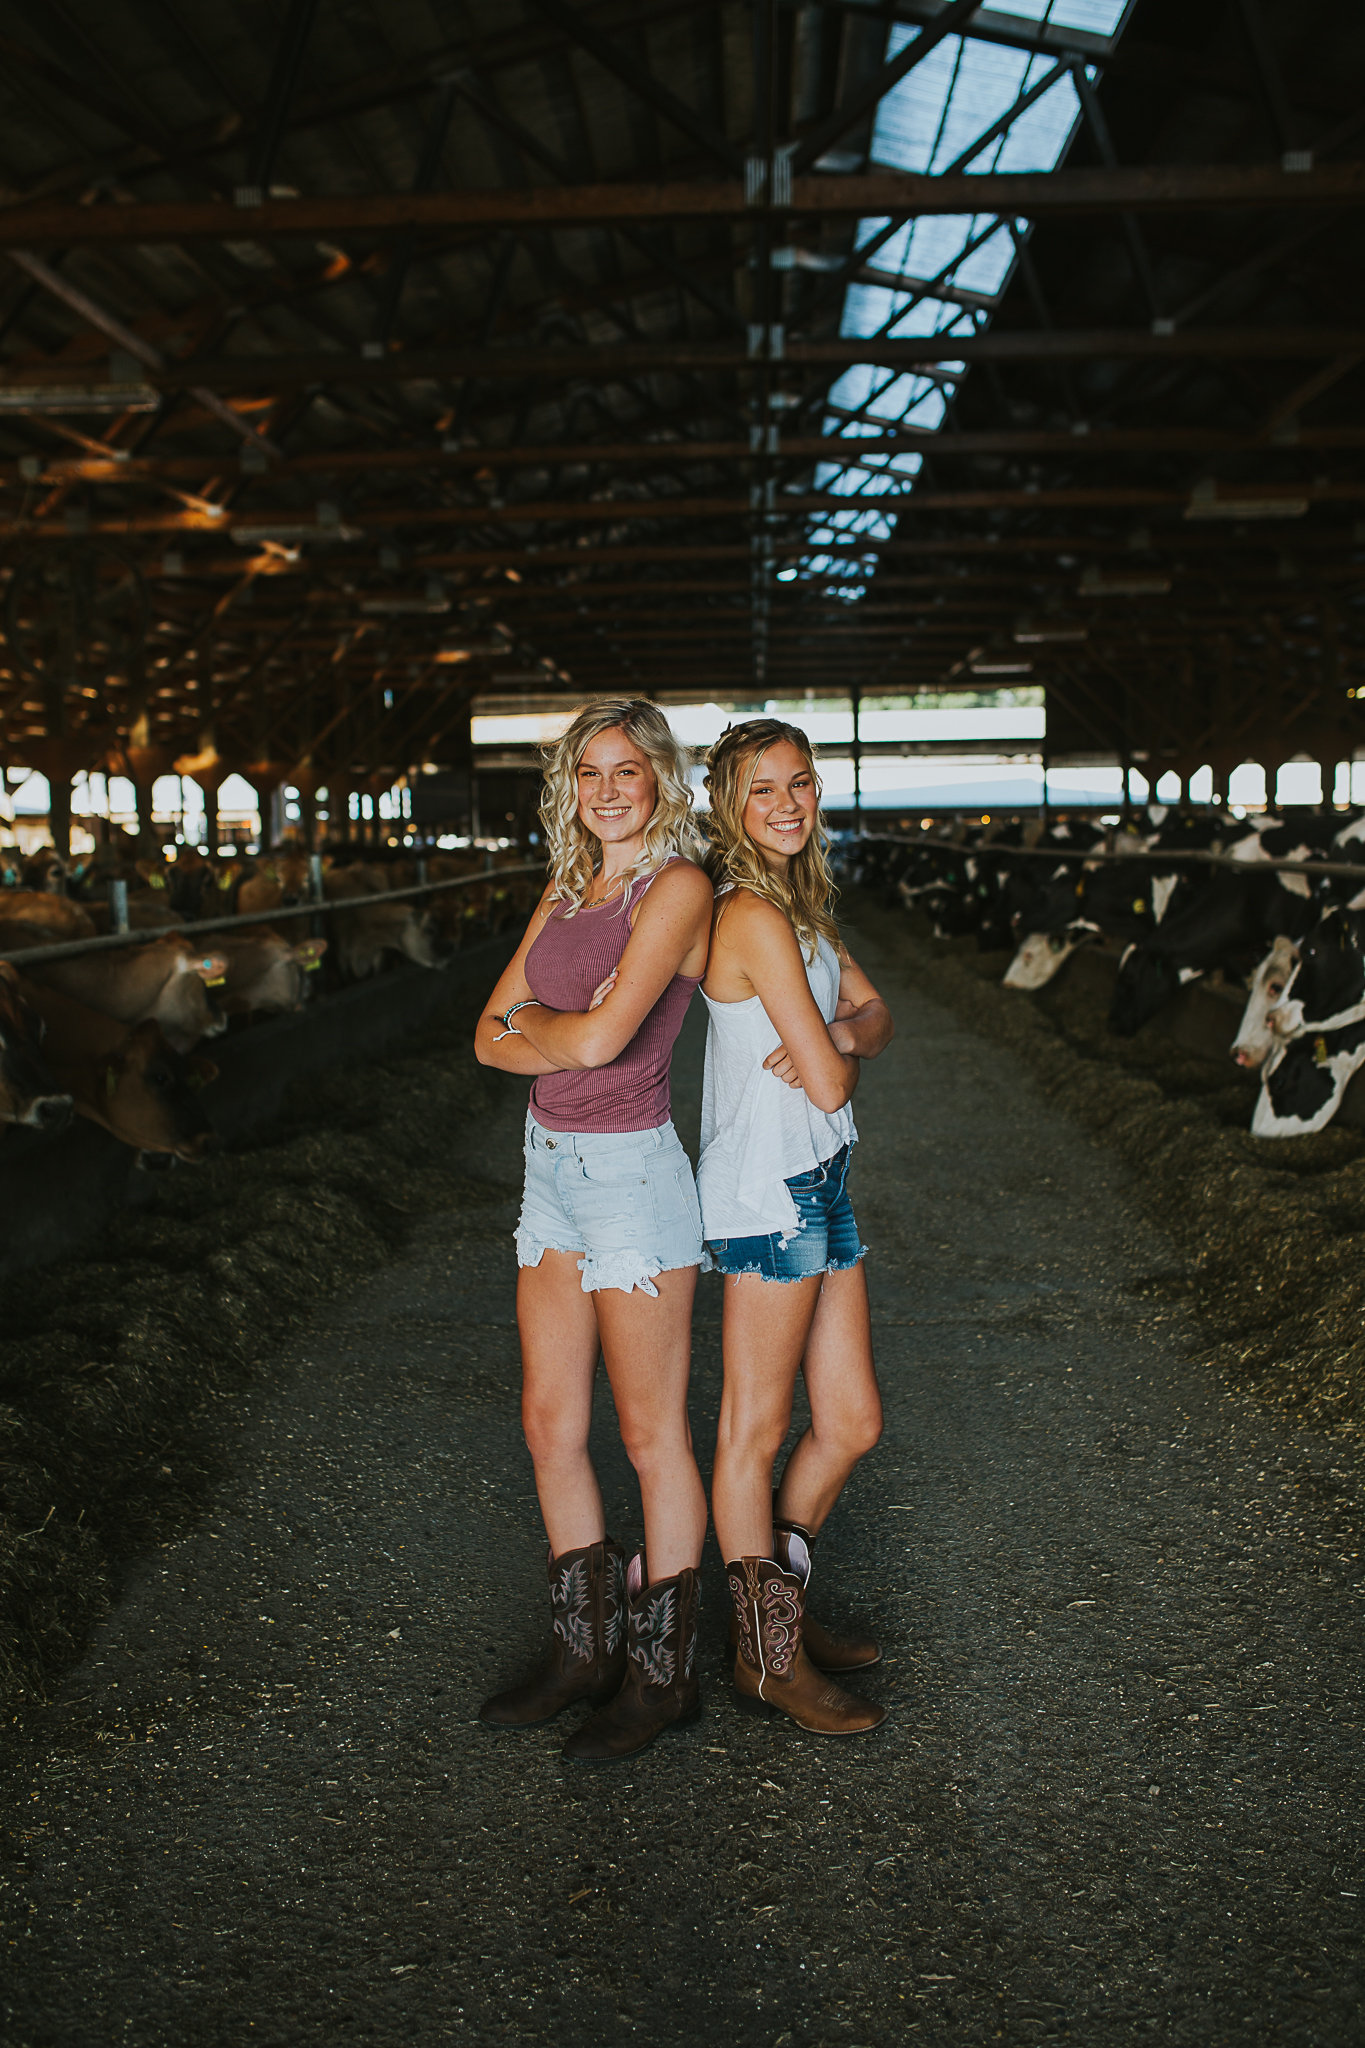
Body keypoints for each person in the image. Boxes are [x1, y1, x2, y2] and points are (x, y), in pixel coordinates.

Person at [474, 698, 713, 1762]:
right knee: (546, 1418)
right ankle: (583, 1648)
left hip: (631, 1178)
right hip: (550, 1172)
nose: (608, 788)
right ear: (569, 786)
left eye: (627, 769)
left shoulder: (679, 889)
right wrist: (548, 1032)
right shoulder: (568, 894)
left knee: (650, 1432)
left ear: (659, 777)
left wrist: (548, 1027)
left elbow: (615, 1038)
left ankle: (663, 1676)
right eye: (589, 772)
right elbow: (486, 1036)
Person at [698, 718, 893, 1735]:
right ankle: (764, 1655)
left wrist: (845, 1033)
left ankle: (779, 1587)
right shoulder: (750, 916)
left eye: (801, 783)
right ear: (730, 805)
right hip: (770, 1192)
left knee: (852, 1417)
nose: (787, 802)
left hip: (823, 1175)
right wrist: (841, 1053)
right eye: (763, 788)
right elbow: (828, 1073)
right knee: (753, 1428)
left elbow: (875, 1011)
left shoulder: (801, 907)